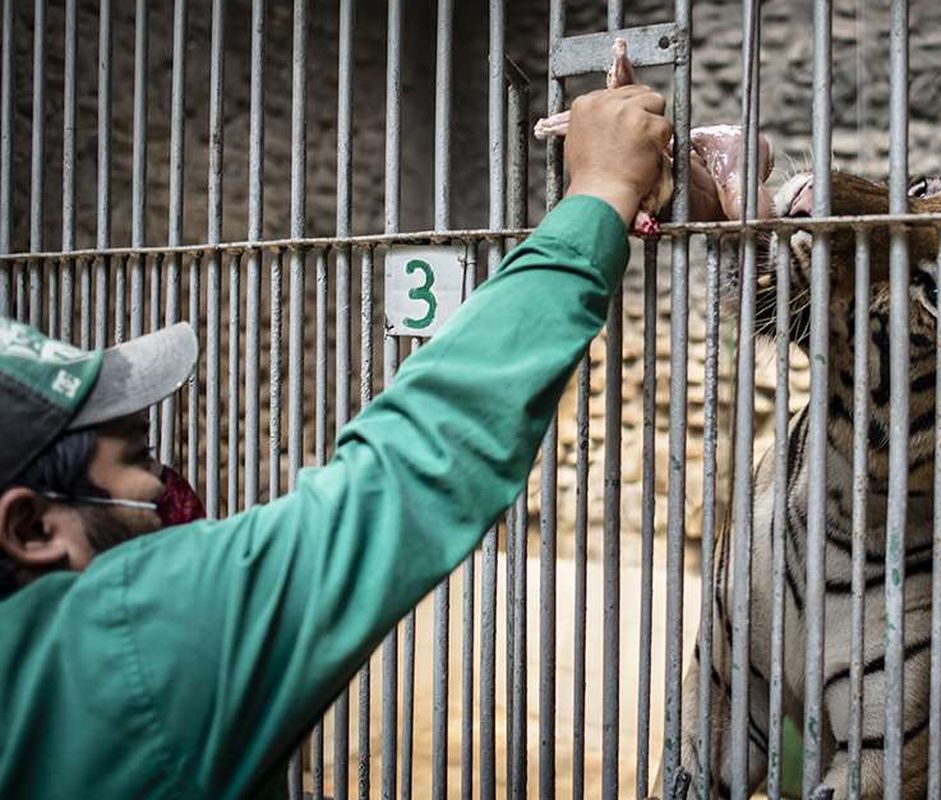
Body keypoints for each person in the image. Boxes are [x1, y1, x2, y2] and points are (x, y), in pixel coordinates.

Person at [0, 84, 672, 799]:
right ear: (31, 527)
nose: (164, 479)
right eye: (134, 458)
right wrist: (598, 190)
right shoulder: (107, 653)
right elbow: (408, 466)